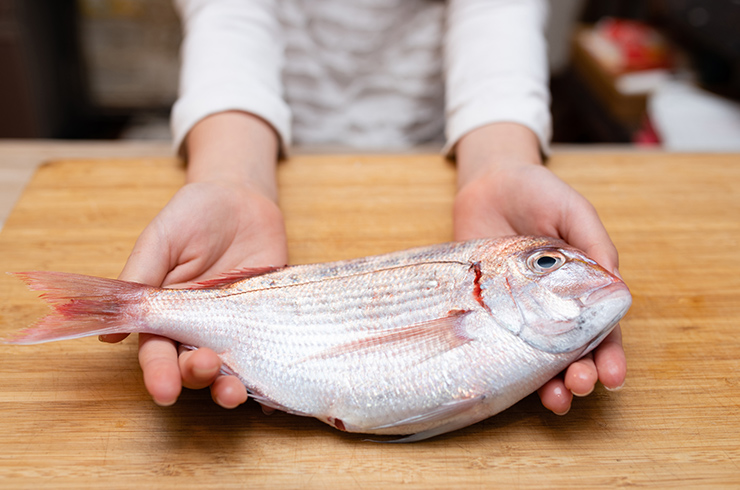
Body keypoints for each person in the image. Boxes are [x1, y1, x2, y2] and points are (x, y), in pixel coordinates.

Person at [102, 0, 626, 417]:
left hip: (447, 134)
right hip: (262, 135)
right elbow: (230, 11)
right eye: (544, 263)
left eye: (544, 262)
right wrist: (228, 174)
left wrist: (502, 162)